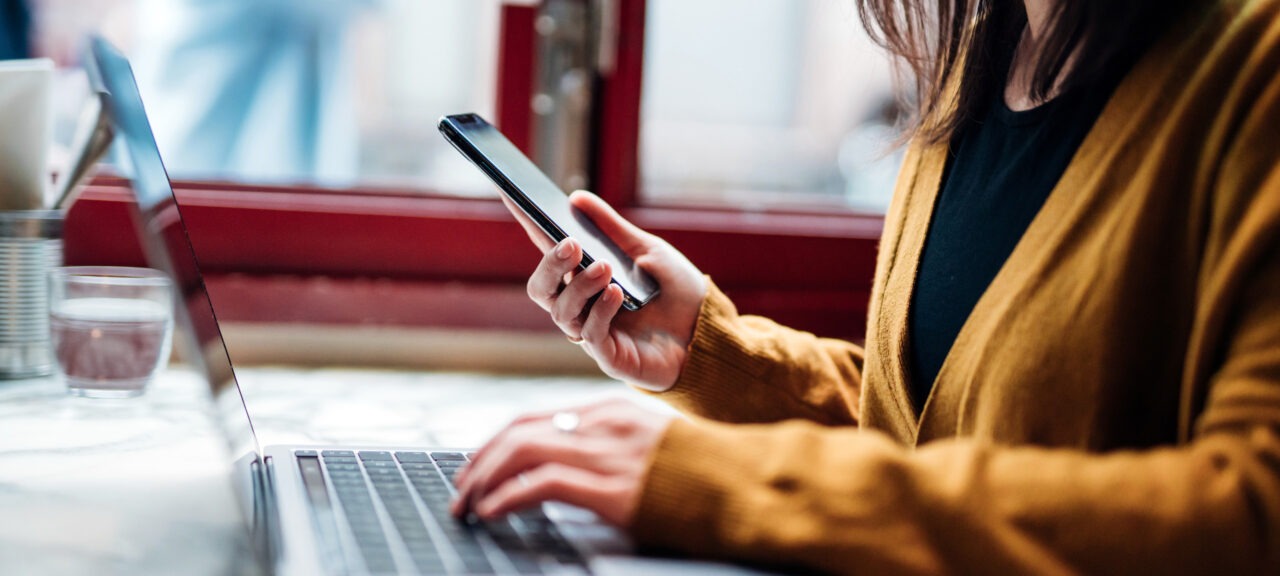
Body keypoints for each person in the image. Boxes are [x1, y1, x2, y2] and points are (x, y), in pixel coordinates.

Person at [452, 0, 1280, 572]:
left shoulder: (1253, 72)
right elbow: (934, 438)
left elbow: (1250, 518)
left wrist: (723, 486)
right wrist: (713, 352)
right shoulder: (979, 62)